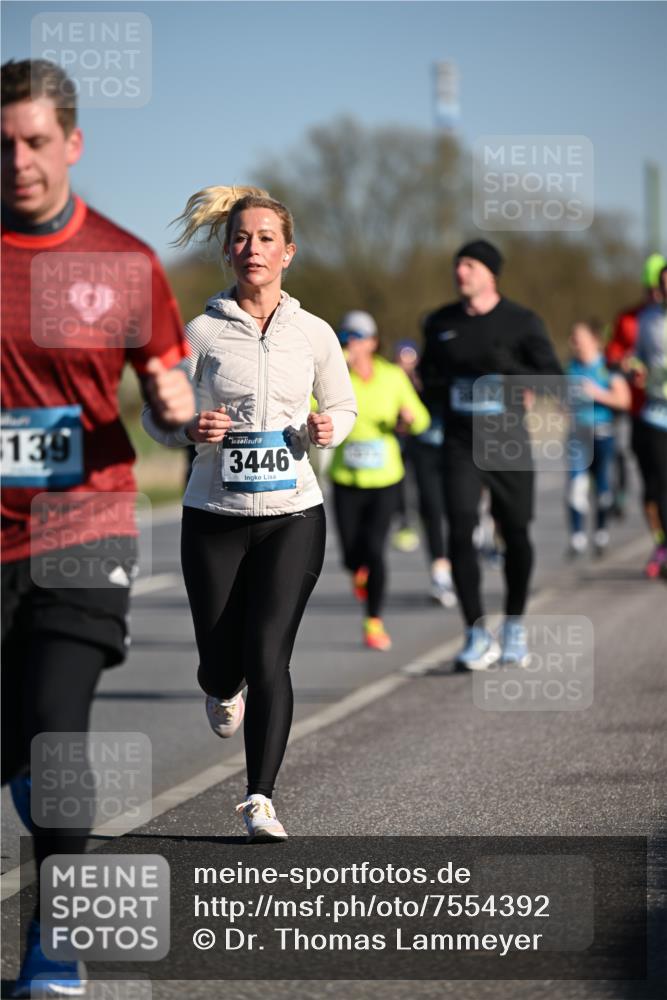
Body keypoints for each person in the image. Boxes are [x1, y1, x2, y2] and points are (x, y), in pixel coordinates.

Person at [1, 59, 193, 997]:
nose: (20, 160)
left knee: (56, 727)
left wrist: (172, 411)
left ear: (72, 143)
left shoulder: (122, 263)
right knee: (20, 751)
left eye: (36, 141)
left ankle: (55, 939)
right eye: (3, 145)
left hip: (85, 523)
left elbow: (164, 389)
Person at [142, 185, 356, 841]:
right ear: (227, 251)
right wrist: (187, 429)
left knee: (268, 657)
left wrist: (328, 430)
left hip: (294, 515)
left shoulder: (313, 333)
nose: (252, 248)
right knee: (220, 660)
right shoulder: (201, 333)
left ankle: (259, 798)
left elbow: (343, 405)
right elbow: (157, 415)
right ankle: (218, 682)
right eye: (240, 238)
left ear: (287, 253)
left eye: (266, 238)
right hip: (213, 514)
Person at [420, 239, 562, 670]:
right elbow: (429, 377)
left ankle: (514, 626)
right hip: (461, 440)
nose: (460, 272)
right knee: (460, 528)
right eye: (457, 265)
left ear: (490, 273)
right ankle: (476, 632)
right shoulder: (440, 322)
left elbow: (554, 378)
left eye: (469, 265)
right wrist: (439, 390)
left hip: (508, 438)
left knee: (515, 532)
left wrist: (509, 371)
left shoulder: (521, 321)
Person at [328, 311, 430, 651]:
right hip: (346, 478)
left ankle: (373, 621)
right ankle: (359, 573)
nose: (353, 344)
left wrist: (410, 419)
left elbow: (421, 419)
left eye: (359, 338)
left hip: (386, 479)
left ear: (373, 342)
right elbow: (310, 406)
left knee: (375, 549)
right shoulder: (335, 376)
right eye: (348, 338)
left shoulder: (391, 376)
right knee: (349, 556)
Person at [606, 252, 666, 570]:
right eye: (651, 289)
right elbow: (612, 358)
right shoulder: (631, 318)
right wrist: (628, 365)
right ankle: (660, 543)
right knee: (652, 484)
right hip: (643, 411)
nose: (655, 295)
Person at [391, 339, 456, 606]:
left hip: (457, 452)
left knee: (459, 513)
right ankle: (441, 574)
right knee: (431, 509)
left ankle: (461, 563)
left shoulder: (453, 371)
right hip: (425, 452)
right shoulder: (408, 380)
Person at [565, 320, 631, 557]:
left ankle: (601, 533)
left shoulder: (606, 368)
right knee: (576, 487)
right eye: (573, 337)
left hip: (603, 434)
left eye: (579, 337)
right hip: (578, 435)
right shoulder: (570, 367)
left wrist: (596, 393)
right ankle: (577, 537)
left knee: (602, 487)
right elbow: (561, 401)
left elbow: (624, 400)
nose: (574, 342)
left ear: (594, 340)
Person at [632, 264, 667, 578]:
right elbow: (638, 356)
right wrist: (636, 369)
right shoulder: (647, 320)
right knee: (660, 483)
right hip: (657, 413)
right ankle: (664, 546)